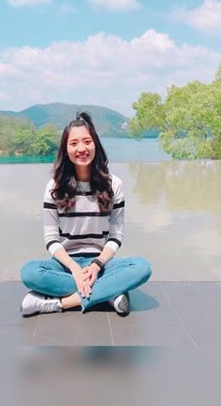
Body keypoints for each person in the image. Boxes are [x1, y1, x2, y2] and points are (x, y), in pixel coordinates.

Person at [20, 111, 152, 316]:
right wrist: (74, 268)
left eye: (87, 141)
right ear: (66, 150)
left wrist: (97, 266)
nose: (81, 148)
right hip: (64, 265)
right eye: (73, 143)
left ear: (95, 145)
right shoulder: (54, 187)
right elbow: (51, 240)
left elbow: (116, 236)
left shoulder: (114, 185)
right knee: (30, 273)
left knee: (142, 268)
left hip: (101, 264)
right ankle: (109, 293)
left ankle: (60, 303)